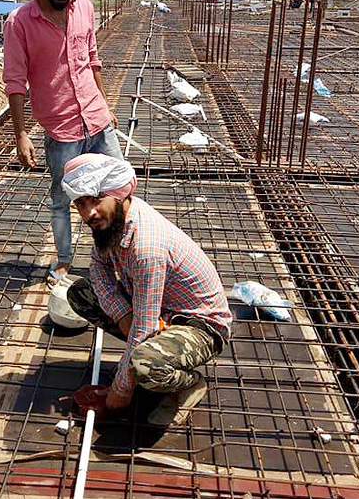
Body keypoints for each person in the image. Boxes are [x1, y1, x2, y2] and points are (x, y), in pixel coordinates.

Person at [61, 154, 232, 426]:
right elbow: (97, 266)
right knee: (81, 293)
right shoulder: (115, 220)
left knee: (145, 365)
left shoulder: (146, 248)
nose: (88, 213)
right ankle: (151, 352)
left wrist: (120, 390)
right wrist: (121, 314)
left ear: (118, 194)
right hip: (158, 308)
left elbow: (144, 325)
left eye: (96, 200)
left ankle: (189, 384)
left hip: (199, 326)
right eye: (81, 203)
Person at [3, 0, 123, 285]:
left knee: (119, 188)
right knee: (61, 200)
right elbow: (15, 80)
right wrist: (20, 133)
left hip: (96, 118)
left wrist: (105, 105)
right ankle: (65, 260)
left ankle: (118, 255)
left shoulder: (83, 5)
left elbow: (92, 59)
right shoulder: (19, 23)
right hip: (61, 128)